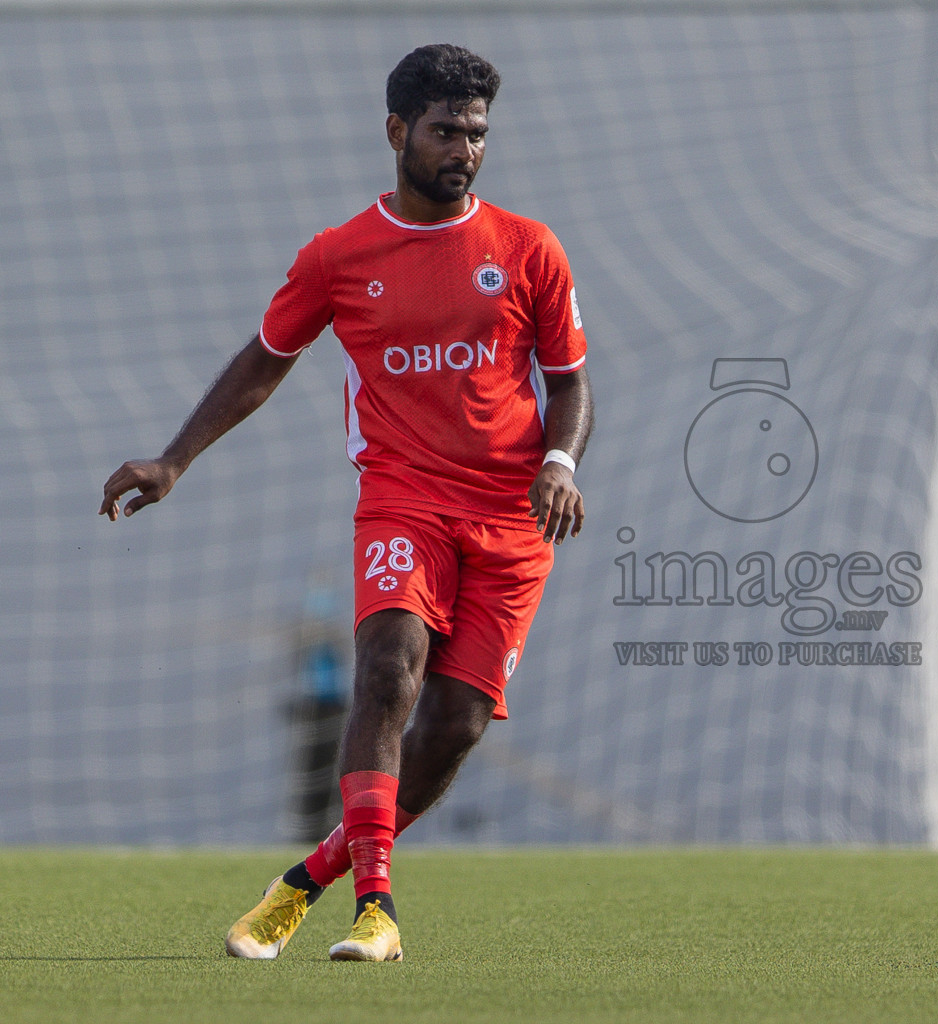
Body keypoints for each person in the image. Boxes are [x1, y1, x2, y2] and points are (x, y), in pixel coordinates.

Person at [98, 43, 593, 962]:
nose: (466, 150)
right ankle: (378, 910)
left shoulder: (529, 249)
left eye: (478, 134)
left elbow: (569, 381)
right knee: (386, 671)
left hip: (511, 522)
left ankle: (308, 879)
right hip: (403, 501)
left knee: (453, 727)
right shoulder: (339, 256)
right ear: (398, 131)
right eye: (447, 131)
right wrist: (174, 460)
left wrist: (560, 461)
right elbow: (262, 363)